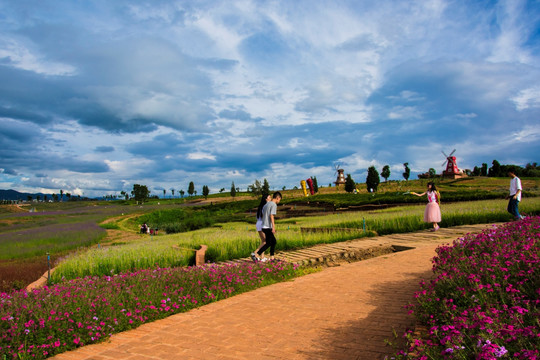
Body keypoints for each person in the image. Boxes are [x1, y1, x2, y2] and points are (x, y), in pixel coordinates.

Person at [251, 191, 282, 262]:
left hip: (263, 226)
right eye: (279, 199)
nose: (279, 201)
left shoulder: (266, 205)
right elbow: (271, 215)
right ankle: (256, 254)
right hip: (268, 226)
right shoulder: (273, 205)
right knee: (269, 243)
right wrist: (273, 227)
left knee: (272, 241)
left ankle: (272, 258)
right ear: (278, 198)